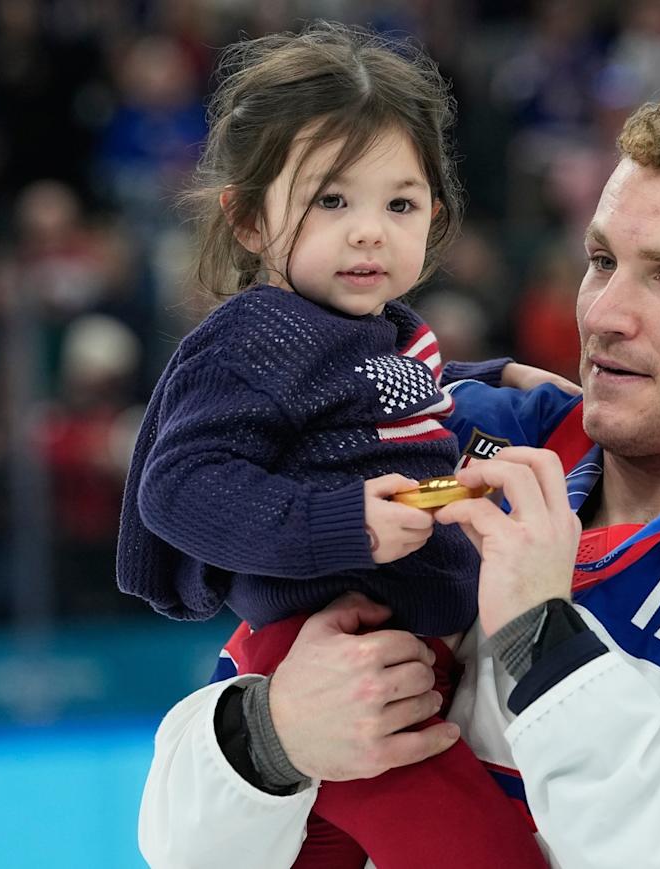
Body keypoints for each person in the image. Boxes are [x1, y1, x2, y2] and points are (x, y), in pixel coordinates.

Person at [135, 81, 660, 868]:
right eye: (600, 260)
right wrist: (266, 739)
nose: (605, 314)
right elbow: (184, 848)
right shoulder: (452, 441)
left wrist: (545, 645)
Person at [116, 23, 557, 869]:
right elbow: (179, 486)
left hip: (390, 651)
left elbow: (387, 394)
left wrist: (495, 376)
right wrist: (340, 521)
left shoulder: (374, 329)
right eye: (331, 200)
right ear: (248, 219)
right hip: (331, 657)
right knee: (485, 852)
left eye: (400, 203)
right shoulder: (259, 334)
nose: (369, 232)